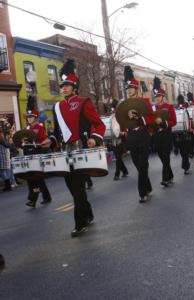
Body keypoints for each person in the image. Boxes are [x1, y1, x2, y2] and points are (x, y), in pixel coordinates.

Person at [53, 59, 105, 237]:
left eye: (67, 85)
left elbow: (99, 125)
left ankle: (80, 223)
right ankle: (88, 213)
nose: (64, 88)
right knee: (74, 190)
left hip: (81, 151)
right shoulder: (57, 107)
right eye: (63, 85)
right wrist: (49, 141)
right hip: (64, 153)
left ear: (74, 86)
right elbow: (56, 132)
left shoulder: (84, 102)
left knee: (78, 188)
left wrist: (94, 139)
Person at [123, 66, 155, 203]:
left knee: (142, 164)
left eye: (131, 88)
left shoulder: (145, 101)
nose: (129, 90)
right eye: (127, 88)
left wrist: (141, 119)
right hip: (131, 137)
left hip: (143, 135)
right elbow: (122, 121)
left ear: (136, 89)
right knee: (139, 164)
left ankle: (142, 193)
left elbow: (152, 118)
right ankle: (147, 186)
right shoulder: (124, 104)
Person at [23, 109, 52, 207]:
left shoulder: (40, 127)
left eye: (31, 117)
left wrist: (37, 144)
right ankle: (40, 197)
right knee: (31, 178)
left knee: (37, 178)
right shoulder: (27, 128)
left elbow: (45, 141)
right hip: (28, 154)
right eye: (28, 117)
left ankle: (37, 199)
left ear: (35, 118)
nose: (29, 119)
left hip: (37, 153)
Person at [153, 77, 177, 186]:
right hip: (158, 136)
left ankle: (165, 179)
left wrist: (164, 122)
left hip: (167, 135)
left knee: (166, 157)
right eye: (156, 96)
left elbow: (174, 121)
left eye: (158, 96)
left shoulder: (169, 107)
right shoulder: (154, 109)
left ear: (163, 96)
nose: (157, 98)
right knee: (162, 157)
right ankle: (170, 175)